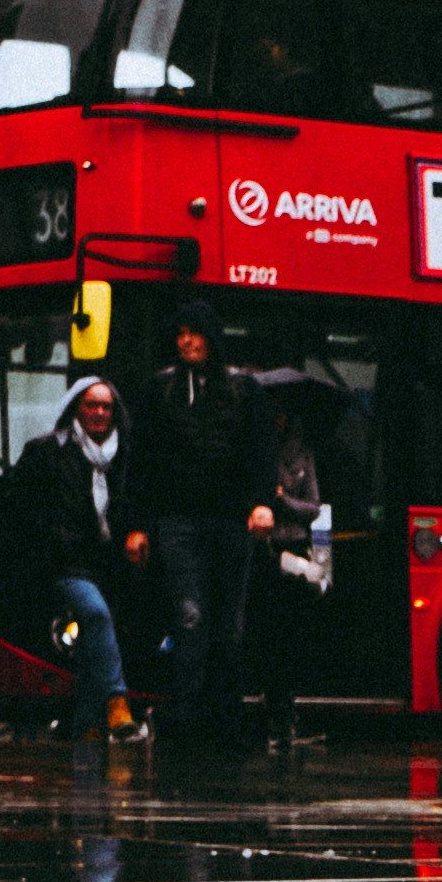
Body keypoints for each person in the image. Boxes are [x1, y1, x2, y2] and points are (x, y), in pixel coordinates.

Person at [131, 307, 258, 746]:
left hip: (228, 523)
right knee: (190, 618)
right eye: (180, 334)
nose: (186, 342)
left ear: (212, 338)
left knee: (229, 624)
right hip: (179, 522)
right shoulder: (160, 391)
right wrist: (139, 525)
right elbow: (142, 461)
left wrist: (260, 503)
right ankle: (187, 718)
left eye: (195, 333)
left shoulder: (243, 390)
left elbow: (259, 453)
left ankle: (224, 719)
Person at [18, 377, 140, 738]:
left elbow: (137, 506)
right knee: (94, 613)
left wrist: (137, 533)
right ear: (76, 409)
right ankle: (117, 702)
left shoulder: (127, 457)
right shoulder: (47, 452)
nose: (100, 413)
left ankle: (86, 730)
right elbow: (20, 505)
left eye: (106, 406)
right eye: (91, 405)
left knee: (95, 639)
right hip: (64, 561)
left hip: (112, 565)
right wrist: (49, 539)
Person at [247, 382, 335, 751]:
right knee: (265, 634)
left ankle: (287, 718)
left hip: (294, 550)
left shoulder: (301, 452)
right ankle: (272, 716)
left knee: (289, 637)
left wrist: (282, 501)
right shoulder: (253, 451)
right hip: (263, 551)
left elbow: (314, 506)